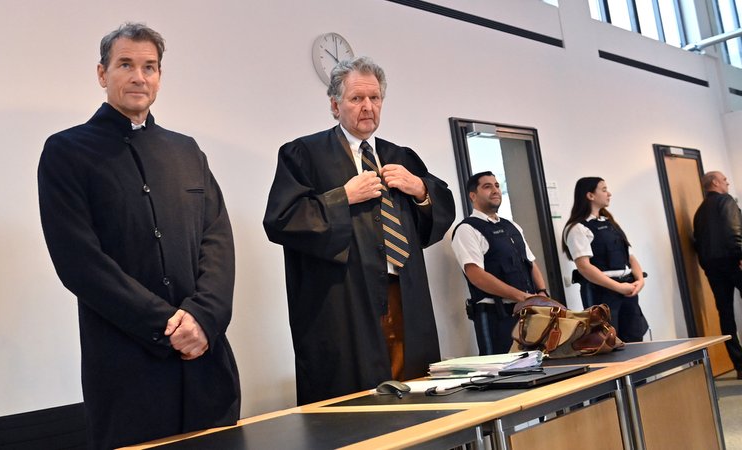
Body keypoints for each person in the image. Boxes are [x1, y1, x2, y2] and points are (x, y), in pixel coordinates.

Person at [37, 23, 240, 449]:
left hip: (205, 358)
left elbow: (217, 239)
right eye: (125, 64)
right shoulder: (66, 152)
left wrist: (203, 319)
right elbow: (80, 262)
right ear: (101, 73)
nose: (138, 77)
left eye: (150, 67)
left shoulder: (187, 151)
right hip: (127, 366)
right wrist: (164, 324)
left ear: (160, 77)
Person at [263, 56, 455, 405]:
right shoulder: (303, 154)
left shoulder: (402, 156)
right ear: (335, 105)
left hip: (404, 295)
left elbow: (440, 212)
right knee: (357, 398)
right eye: (356, 99)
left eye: (375, 98)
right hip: (343, 303)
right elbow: (281, 219)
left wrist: (420, 189)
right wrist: (342, 197)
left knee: (413, 390)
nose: (367, 107)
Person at [451, 171, 548, 355]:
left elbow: (530, 262)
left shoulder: (512, 226)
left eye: (496, 185)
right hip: (496, 315)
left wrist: (541, 293)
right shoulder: (467, 229)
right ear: (473, 195)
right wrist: (520, 296)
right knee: (502, 372)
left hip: (528, 312)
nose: (495, 190)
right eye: (487, 186)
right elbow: (476, 275)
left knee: (538, 365)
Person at [562, 177, 648, 342]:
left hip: (628, 289)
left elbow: (629, 256)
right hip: (602, 293)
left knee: (634, 338)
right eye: (603, 189)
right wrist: (618, 287)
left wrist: (639, 280)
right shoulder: (578, 228)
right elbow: (584, 267)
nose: (609, 194)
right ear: (590, 195)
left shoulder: (610, 223)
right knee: (608, 341)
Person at [693, 171, 742, 378]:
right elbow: (735, 230)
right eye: (724, 179)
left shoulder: (700, 211)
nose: (727, 182)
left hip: (712, 268)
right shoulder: (726, 201)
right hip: (734, 261)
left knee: (725, 314)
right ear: (714, 182)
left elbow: (697, 241)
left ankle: (739, 365)